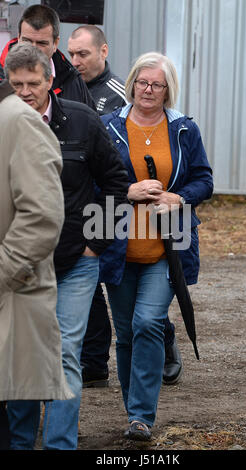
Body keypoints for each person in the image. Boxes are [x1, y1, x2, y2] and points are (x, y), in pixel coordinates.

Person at [5, 43, 128, 450]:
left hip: (76, 261)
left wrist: (98, 241)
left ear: (50, 81)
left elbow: (115, 181)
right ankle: (20, 443)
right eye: (16, 83)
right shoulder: (5, 125)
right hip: (21, 264)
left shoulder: (82, 121)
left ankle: (60, 445)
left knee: (64, 355)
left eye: (32, 84)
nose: (24, 92)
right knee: (22, 356)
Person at [99, 52, 213, 440]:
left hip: (171, 242)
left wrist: (180, 198)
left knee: (148, 322)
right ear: (131, 84)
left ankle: (142, 417)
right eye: (142, 82)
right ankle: (134, 412)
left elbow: (204, 180)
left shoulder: (183, 129)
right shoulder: (106, 127)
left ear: (168, 90)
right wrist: (126, 191)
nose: (148, 90)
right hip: (117, 242)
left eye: (157, 84)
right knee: (127, 331)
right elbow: (91, 183)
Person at [68, 26, 183, 387]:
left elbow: (199, 178)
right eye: (71, 54)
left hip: (162, 228)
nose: (76, 61)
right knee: (104, 292)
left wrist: (175, 197)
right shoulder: (63, 86)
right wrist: (119, 193)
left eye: (82, 54)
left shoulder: (123, 99)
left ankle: (162, 336)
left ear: (103, 51)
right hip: (106, 218)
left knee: (145, 314)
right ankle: (96, 365)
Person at [0, 79, 73, 450]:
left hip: (25, 285)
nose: (27, 89)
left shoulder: (20, 121)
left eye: (34, 82)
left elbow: (42, 215)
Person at [0, 4, 95, 109]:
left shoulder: (71, 79)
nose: (33, 49)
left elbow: (89, 122)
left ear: (55, 43)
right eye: (27, 41)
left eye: (41, 43)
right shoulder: (2, 78)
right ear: (18, 38)